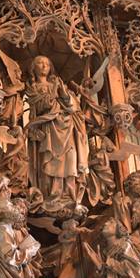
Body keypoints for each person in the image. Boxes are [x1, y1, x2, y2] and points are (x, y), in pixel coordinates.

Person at [25, 55, 89, 206]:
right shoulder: (33, 88)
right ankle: (52, 195)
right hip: (49, 128)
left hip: (66, 126)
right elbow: (42, 107)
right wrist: (54, 93)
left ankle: (70, 195)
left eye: (47, 63)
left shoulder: (58, 83)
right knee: (51, 159)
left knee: (70, 159)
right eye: (40, 63)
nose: (44, 66)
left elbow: (71, 104)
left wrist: (63, 92)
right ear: (33, 68)